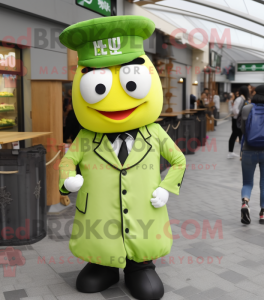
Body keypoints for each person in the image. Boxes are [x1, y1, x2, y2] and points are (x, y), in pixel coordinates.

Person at [58, 15, 186, 300]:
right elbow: (67, 160)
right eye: (97, 87)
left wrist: (167, 188)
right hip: (98, 219)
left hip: (144, 215)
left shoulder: (154, 133)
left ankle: (139, 266)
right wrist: (68, 181)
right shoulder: (87, 136)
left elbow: (178, 161)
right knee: (92, 268)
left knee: (149, 288)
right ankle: (103, 266)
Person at [240, 85, 264, 225]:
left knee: (247, 182)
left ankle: (245, 203)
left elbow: (242, 129)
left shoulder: (247, 108)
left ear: (256, 93)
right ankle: (263, 214)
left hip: (248, 149)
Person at [227, 85, 249, 158]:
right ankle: (230, 152)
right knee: (234, 135)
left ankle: (233, 152)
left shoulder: (242, 99)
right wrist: (242, 113)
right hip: (237, 120)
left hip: (239, 120)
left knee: (238, 136)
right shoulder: (239, 99)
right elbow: (235, 110)